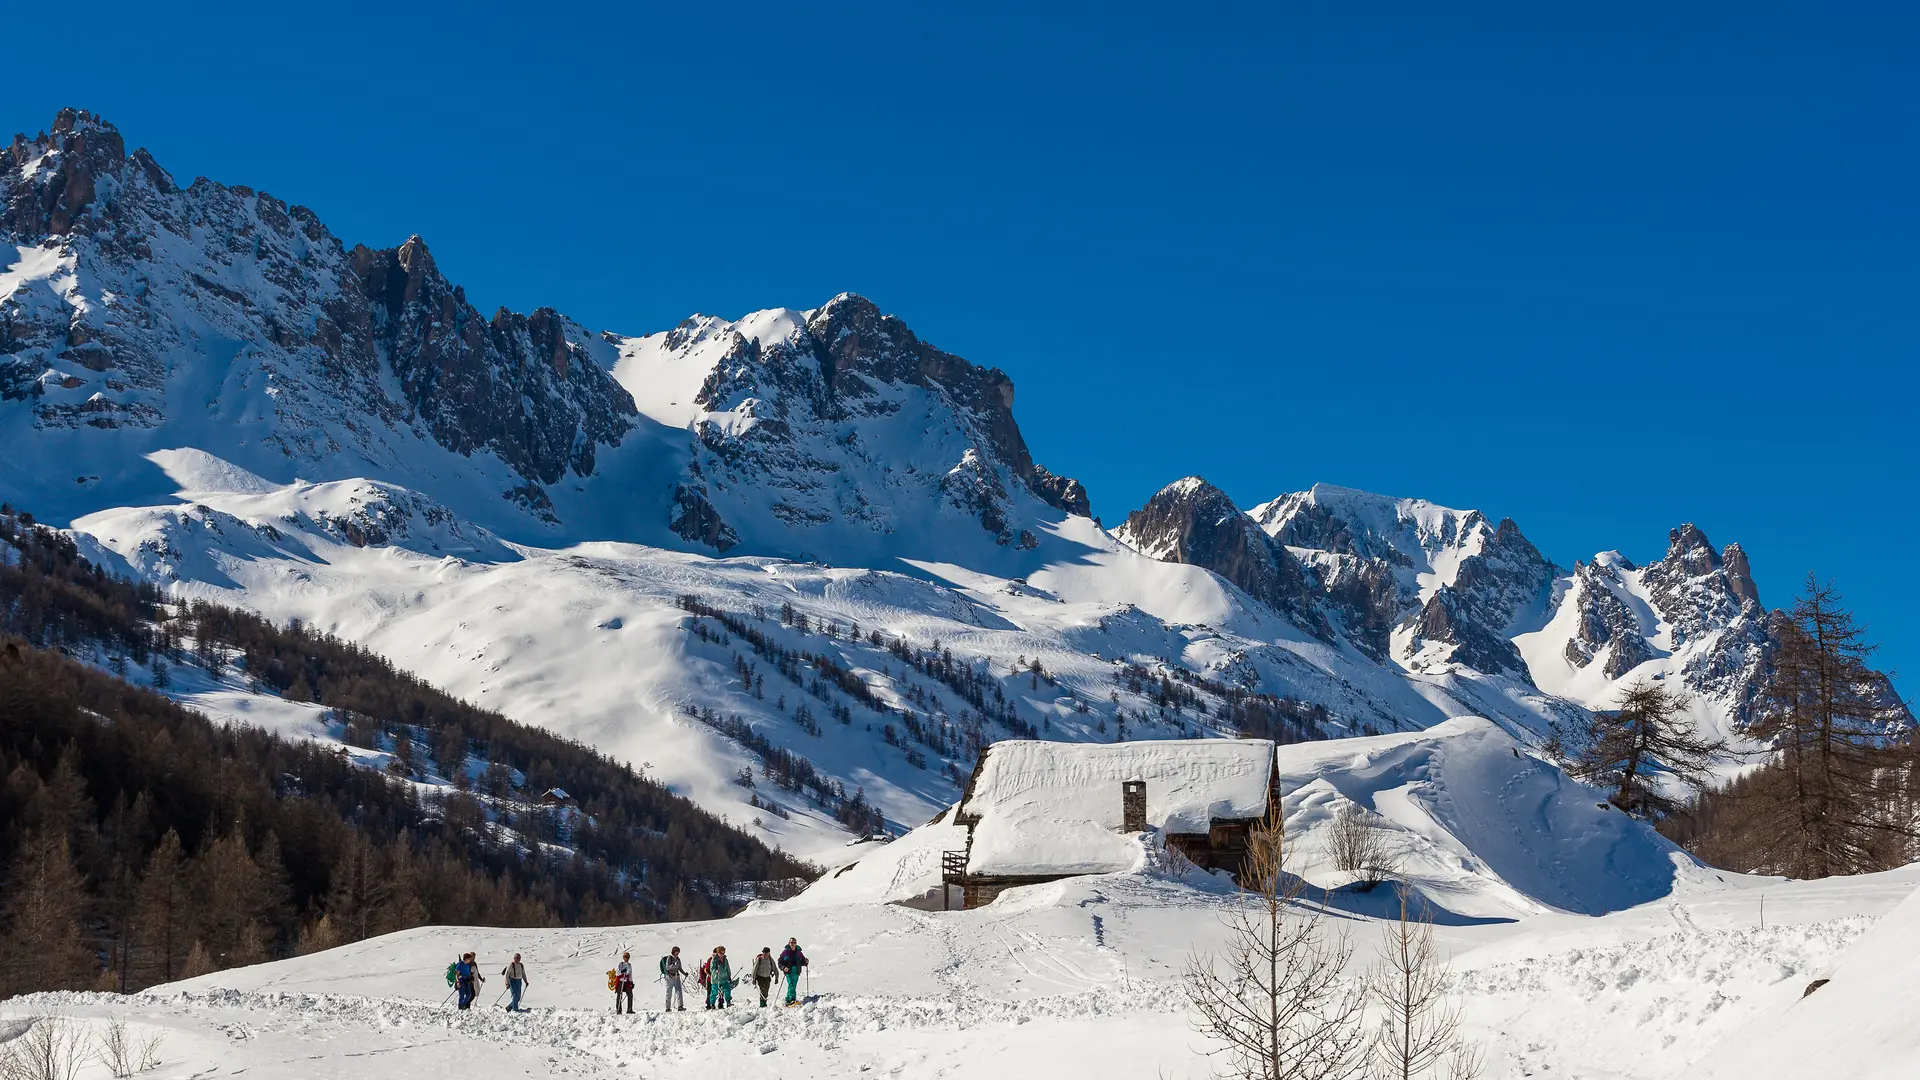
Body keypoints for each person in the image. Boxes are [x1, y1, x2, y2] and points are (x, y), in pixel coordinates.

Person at [778, 938, 808, 1006]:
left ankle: (788, 999)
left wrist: (805, 962)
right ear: (789, 943)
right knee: (791, 984)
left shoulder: (798, 952)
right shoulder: (785, 952)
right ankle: (792, 999)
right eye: (792, 942)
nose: (793, 944)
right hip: (789, 971)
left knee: (793, 985)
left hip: (796, 971)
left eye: (794, 942)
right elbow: (780, 962)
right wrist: (783, 968)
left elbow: (802, 961)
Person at [660, 946, 686, 1012]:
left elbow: (680, 968)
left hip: (676, 976)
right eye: (677, 952)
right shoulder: (669, 958)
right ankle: (667, 1007)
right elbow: (667, 967)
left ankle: (680, 1006)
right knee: (669, 992)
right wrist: (674, 965)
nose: (677, 954)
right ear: (674, 952)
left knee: (679, 991)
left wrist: (684, 973)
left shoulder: (678, 959)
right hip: (669, 977)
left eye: (678, 952)